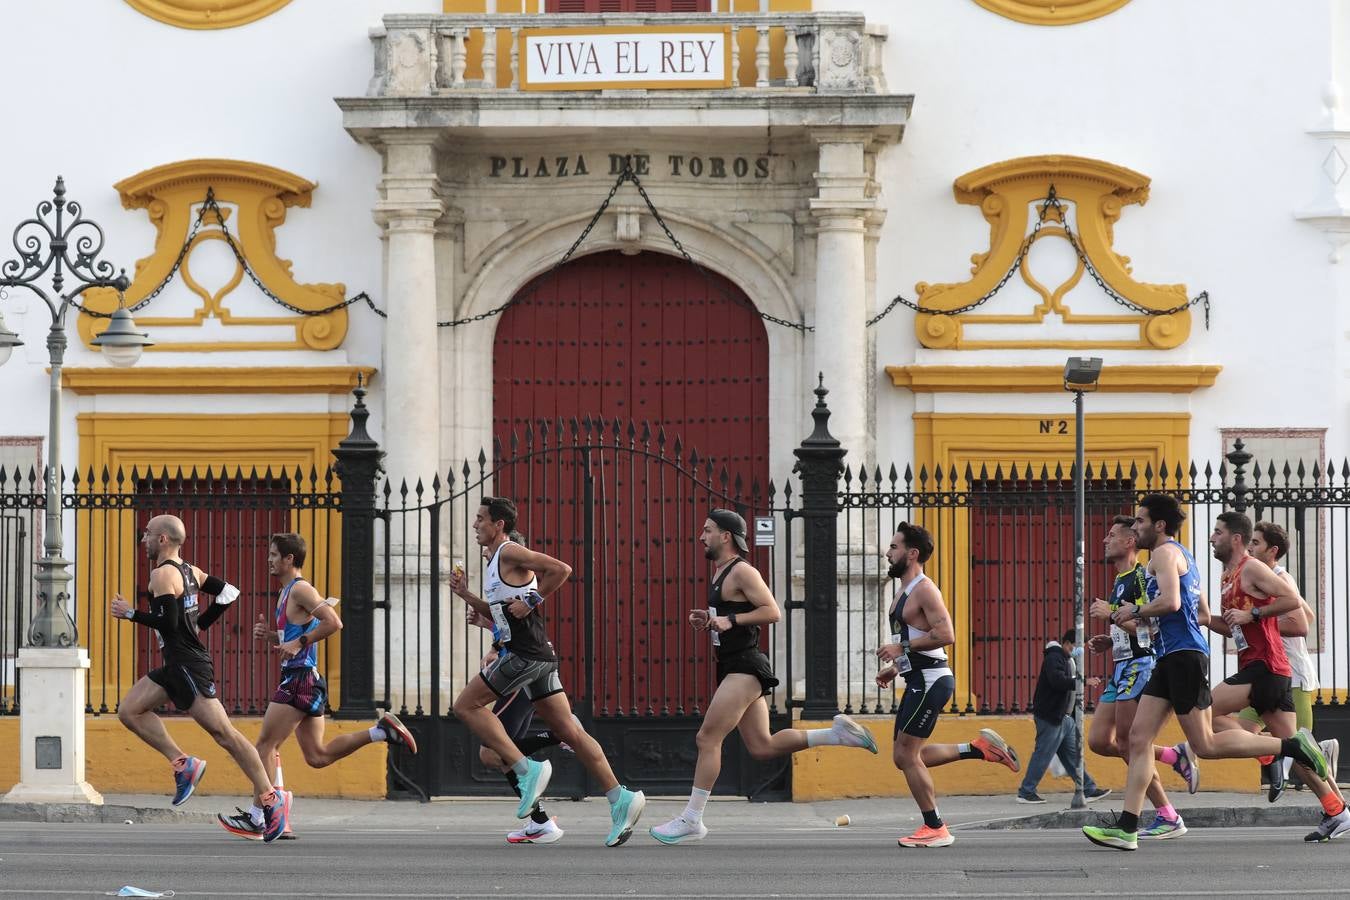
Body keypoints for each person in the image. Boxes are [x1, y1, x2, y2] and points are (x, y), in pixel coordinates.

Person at [1082, 495, 1330, 851]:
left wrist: (1133, 609)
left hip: (1183, 658)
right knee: (1137, 739)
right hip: (1169, 655)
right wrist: (1131, 628)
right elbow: (1194, 611)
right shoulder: (1181, 556)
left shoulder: (1165, 555)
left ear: (1159, 525)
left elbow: (1172, 603)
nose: (1135, 528)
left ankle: (1294, 746)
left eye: (1140, 521)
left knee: (1206, 745)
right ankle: (1128, 827)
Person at [649, 510, 878, 845]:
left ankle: (691, 819)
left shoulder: (742, 570)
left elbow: (772, 611)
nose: (702, 536)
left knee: (706, 739)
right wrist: (711, 618)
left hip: (746, 666)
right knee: (762, 746)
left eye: (707, 530)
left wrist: (731, 621)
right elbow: (735, 612)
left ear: (726, 536)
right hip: (733, 664)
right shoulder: (720, 572)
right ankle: (836, 734)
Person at [450, 496, 646, 847]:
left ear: (499, 525)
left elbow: (562, 569)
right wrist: (466, 595)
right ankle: (621, 798)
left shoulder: (509, 551)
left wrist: (533, 599)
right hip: (538, 657)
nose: (475, 524)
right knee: (569, 730)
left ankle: (529, 770)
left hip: (523, 657)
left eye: (481, 519)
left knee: (465, 707)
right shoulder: (496, 562)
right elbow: (502, 613)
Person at [217, 533, 417, 841]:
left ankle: (259, 816)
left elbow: (333, 622)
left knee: (265, 747)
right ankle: (381, 731)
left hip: (299, 678)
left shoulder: (300, 589)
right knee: (317, 756)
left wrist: (299, 641)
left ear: (289, 559)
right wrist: (272, 637)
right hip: (306, 679)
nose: (269, 560)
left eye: (274, 555)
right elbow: (299, 633)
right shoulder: (286, 592)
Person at [109, 514, 288, 843]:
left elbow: (169, 622)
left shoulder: (163, 574)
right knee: (129, 711)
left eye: (148, 534)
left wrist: (130, 613)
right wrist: (200, 625)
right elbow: (229, 593)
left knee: (225, 734)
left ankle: (270, 799)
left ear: (163, 539)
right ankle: (183, 763)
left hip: (187, 665)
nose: (143, 540)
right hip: (176, 664)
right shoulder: (191, 571)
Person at [1201, 512, 1349, 843]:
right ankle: (1336, 809)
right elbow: (1235, 627)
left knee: (1205, 711)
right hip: (1266, 668)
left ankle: (1269, 751)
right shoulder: (1228, 575)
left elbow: (1292, 602)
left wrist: (1252, 612)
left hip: (1266, 666)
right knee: (1299, 755)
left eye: (1218, 532)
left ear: (1235, 539)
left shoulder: (1253, 568)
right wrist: (1208, 619)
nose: (1212, 538)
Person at [876, 522, 1020, 848]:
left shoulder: (925, 589)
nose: (888, 552)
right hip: (918, 677)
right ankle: (978, 749)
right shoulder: (902, 591)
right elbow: (911, 639)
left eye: (894, 547)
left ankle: (935, 827)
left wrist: (902, 651)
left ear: (912, 554)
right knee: (904, 757)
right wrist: (895, 669)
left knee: (906, 754)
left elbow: (946, 636)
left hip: (932, 680)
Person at [451, 531, 572, 844]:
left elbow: (517, 626)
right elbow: (505, 621)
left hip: (519, 671)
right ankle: (539, 819)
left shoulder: (512, 571)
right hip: (518, 665)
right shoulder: (501, 582)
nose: (486, 553)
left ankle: (554, 742)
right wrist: (474, 606)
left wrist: (494, 641)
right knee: (500, 750)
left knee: (493, 751)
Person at [1085, 516, 1188, 838]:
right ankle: (1172, 755)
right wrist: (1110, 636)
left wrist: (1112, 613)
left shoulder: (1142, 577)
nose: (1105, 540)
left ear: (1130, 542)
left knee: (1132, 744)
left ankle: (1167, 815)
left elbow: (1150, 626)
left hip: (1141, 666)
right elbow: (1131, 627)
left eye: (1112, 535)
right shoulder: (1120, 579)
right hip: (1121, 666)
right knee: (1100, 741)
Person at [1239, 520, 1339, 799]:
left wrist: (1257, 623)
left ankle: (1337, 809)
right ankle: (1296, 751)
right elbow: (1307, 614)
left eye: (1256, 542)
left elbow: (1301, 625)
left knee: (1304, 758)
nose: (1250, 546)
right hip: (1269, 673)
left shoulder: (1280, 577)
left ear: (1272, 551)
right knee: (1240, 731)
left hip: (1293, 675)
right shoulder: (1265, 578)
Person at [1017, 631, 1108, 804]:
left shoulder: (1066, 659)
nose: (1079, 650)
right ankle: (1026, 792)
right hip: (1051, 715)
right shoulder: (1054, 657)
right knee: (1043, 754)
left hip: (1064, 718)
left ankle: (1087, 788)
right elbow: (1057, 681)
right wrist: (1083, 681)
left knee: (1074, 756)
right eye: (1077, 646)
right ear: (1067, 643)